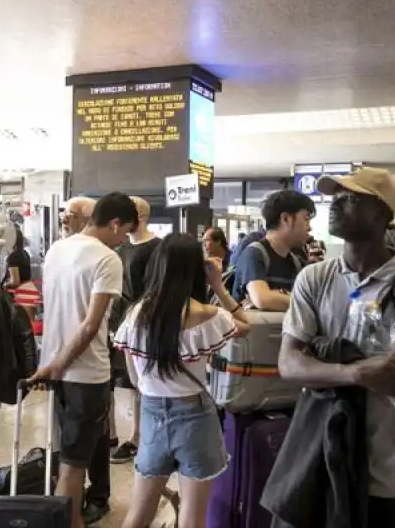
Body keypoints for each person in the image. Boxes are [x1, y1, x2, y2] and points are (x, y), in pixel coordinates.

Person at [274, 167, 395, 528]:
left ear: (381, 213)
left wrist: (319, 362)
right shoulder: (314, 277)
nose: (335, 206)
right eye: (335, 198)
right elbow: (288, 364)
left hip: (391, 467)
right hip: (321, 455)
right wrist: (357, 371)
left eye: (350, 199)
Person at [113, 234, 249, 528]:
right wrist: (217, 286)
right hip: (196, 415)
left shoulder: (136, 315)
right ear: (194, 269)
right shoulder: (208, 315)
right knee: (192, 517)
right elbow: (246, 326)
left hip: (151, 412)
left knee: (138, 514)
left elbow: (134, 376)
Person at [32, 192, 138, 528]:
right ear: (114, 223)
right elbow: (91, 324)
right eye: (123, 233)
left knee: (69, 456)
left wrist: (52, 364)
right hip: (84, 373)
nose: (123, 241)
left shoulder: (57, 249)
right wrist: (61, 364)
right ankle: (71, 521)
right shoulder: (108, 259)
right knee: (74, 466)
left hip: (56, 368)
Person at [109, 196, 162, 468]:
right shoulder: (121, 248)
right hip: (124, 321)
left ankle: (141, 436)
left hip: (145, 321)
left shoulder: (156, 248)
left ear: (139, 215)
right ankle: (136, 435)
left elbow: (155, 288)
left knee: (143, 380)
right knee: (129, 380)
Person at [232, 190, 315, 311]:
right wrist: (303, 301)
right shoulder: (254, 254)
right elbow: (262, 299)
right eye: (306, 219)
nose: (309, 227)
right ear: (285, 219)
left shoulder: (296, 262)